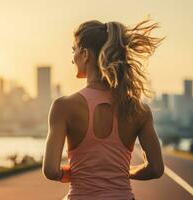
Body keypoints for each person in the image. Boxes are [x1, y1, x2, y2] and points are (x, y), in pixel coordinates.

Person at [42, 19, 165, 200]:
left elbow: (51, 170)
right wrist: (125, 173)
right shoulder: (139, 110)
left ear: (85, 54)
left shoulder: (63, 107)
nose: (72, 58)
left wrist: (63, 174)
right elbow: (155, 169)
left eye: (73, 50)